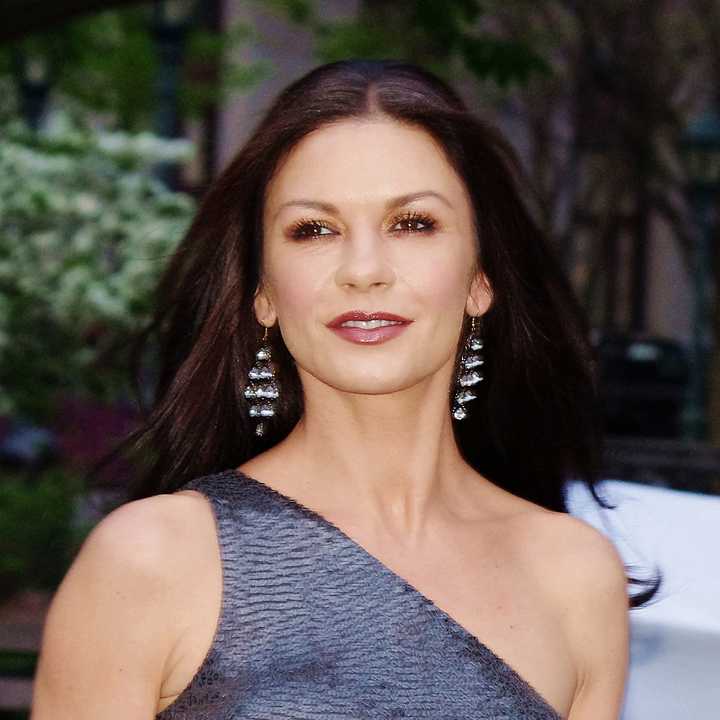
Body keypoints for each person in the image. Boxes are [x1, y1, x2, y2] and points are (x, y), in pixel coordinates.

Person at [30, 58, 660, 720]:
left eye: (413, 223)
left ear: (480, 278)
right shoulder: (149, 563)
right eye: (314, 229)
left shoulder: (573, 576)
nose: (364, 270)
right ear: (263, 293)